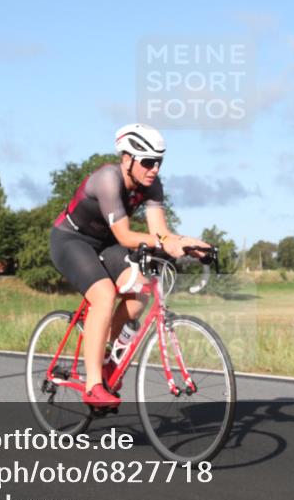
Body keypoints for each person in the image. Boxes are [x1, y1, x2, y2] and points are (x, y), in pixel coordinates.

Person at [49, 123, 210, 408]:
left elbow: (160, 231)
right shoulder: (108, 180)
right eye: (148, 162)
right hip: (70, 240)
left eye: (159, 162)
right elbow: (125, 236)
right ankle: (93, 384)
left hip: (104, 243)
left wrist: (187, 243)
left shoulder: (152, 185)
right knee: (104, 295)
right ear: (126, 159)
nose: (154, 169)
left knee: (141, 292)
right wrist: (167, 243)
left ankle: (108, 357)